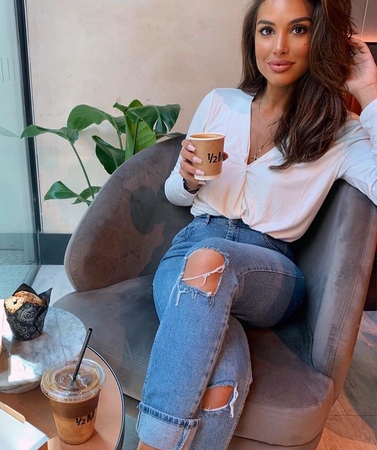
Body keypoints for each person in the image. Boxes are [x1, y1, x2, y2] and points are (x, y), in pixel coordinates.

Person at [135, 0, 377, 448]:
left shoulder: (339, 131)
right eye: (267, 30)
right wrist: (187, 180)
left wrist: (368, 93)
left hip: (269, 269)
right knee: (221, 379)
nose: (279, 46)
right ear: (253, 40)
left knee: (210, 262)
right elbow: (174, 193)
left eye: (298, 30)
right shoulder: (219, 102)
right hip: (189, 248)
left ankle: (151, 444)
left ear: (320, 39)